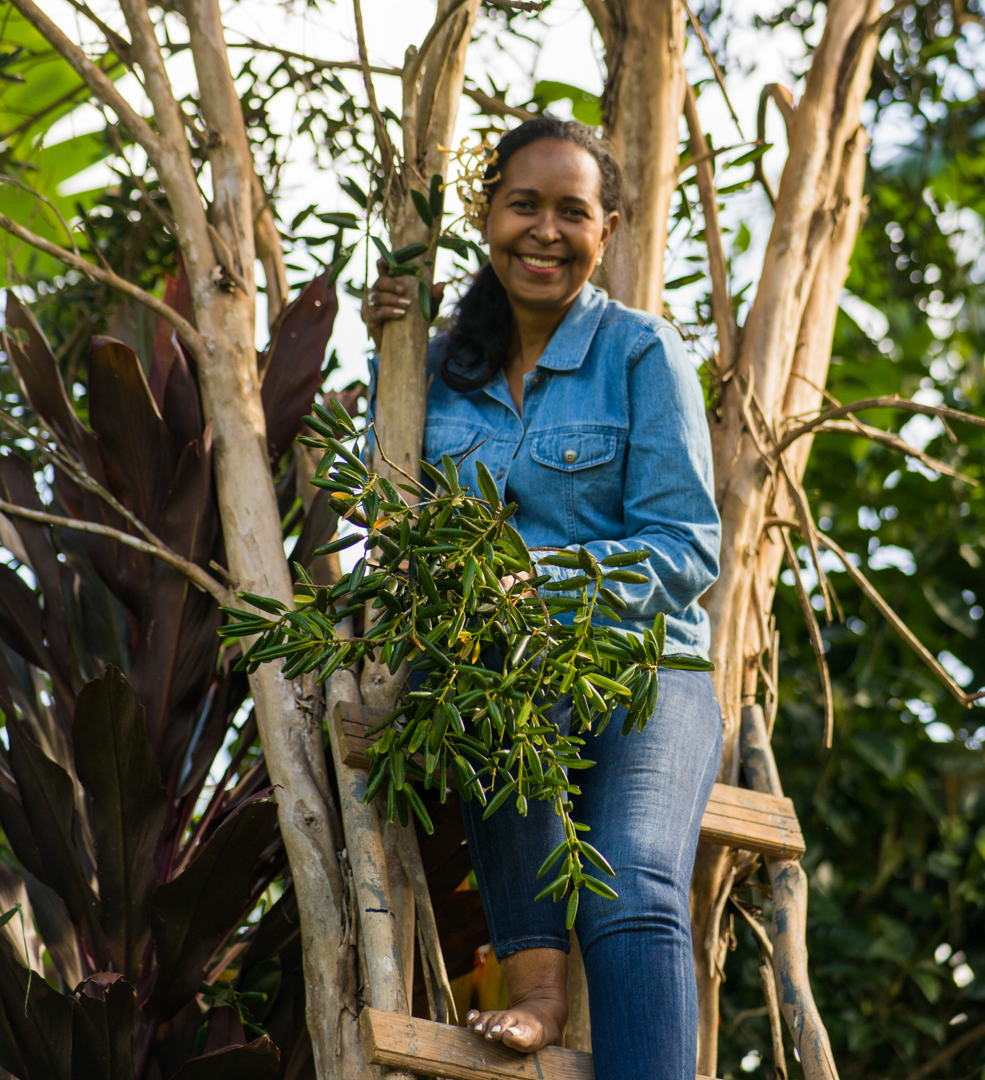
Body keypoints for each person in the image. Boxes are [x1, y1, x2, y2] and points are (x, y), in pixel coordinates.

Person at [365, 117, 723, 1080]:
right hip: (504, 669)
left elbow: (687, 548)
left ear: (608, 229)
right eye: (525, 204)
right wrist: (391, 349)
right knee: (482, 677)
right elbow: (394, 513)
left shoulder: (643, 354)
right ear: (487, 216)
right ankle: (535, 991)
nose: (546, 230)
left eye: (574, 211)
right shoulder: (438, 367)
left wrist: (547, 579)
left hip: (651, 668)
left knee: (633, 885)